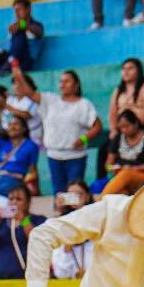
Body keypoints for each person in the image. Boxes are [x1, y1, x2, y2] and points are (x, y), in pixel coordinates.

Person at [9, 64, 100, 193]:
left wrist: (83, 139)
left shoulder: (84, 104)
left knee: (74, 193)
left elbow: (97, 127)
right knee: (59, 194)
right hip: (54, 155)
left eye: (67, 81)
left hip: (75, 156)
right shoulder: (50, 100)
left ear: (76, 85)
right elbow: (28, 92)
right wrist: (19, 76)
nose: (63, 84)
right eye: (61, 81)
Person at [0, 182, 45, 279]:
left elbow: (36, 239)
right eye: (11, 199)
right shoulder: (2, 222)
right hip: (1, 274)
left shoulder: (38, 220)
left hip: (26, 275)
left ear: (28, 202)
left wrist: (23, 220)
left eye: (19, 199)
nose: (14, 202)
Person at [94, 110, 144, 196]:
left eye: (127, 126)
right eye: (121, 127)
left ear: (136, 123)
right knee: (121, 192)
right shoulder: (118, 138)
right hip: (121, 176)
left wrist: (133, 168)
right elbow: (108, 164)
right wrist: (113, 168)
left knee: (126, 174)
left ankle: (100, 199)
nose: (124, 130)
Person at [0, 112, 41, 196]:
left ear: (24, 128)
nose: (12, 127)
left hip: (14, 180)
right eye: (10, 125)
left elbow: (32, 170)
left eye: (16, 124)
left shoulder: (30, 146)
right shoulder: (3, 142)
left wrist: (35, 189)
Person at [51, 181, 95, 278]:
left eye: (79, 194)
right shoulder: (61, 226)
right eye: (70, 195)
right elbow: (61, 275)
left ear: (87, 197)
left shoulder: (96, 223)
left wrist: (81, 208)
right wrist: (58, 210)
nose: (75, 198)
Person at [108, 57, 144, 131]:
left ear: (139, 71)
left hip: (143, 129)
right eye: (123, 69)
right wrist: (113, 130)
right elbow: (112, 114)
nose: (126, 71)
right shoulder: (118, 90)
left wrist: (124, 110)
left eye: (130, 68)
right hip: (122, 130)